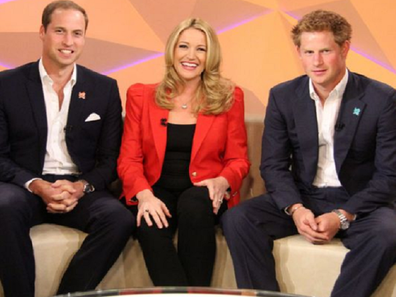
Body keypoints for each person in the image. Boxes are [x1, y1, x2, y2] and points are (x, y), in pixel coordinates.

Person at [222, 9, 396, 297]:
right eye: (309, 51)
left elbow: (389, 175)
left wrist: (342, 215)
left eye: (325, 50)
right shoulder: (283, 95)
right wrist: (295, 208)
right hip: (305, 196)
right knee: (238, 219)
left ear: (344, 49)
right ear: (299, 53)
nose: (316, 61)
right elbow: (274, 165)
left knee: (389, 232)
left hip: (360, 202)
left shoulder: (382, 98)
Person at [0, 1, 135, 296]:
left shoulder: (104, 88)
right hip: (24, 185)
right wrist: (36, 185)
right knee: (3, 206)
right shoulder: (6, 84)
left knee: (119, 218)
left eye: (77, 33)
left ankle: (69, 295)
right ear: (42, 32)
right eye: (60, 31)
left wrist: (80, 187)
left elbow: (110, 159)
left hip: (79, 186)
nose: (68, 42)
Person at [117, 18, 250, 286]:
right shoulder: (141, 96)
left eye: (201, 49)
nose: (191, 56)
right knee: (151, 219)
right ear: (172, 51)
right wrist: (144, 196)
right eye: (184, 46)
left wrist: (222, 181)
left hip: (204, 192)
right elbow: (129, 159)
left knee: (194, 203)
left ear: (210, 56)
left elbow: (238, 160)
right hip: (154, 187)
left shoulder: (229, 97)